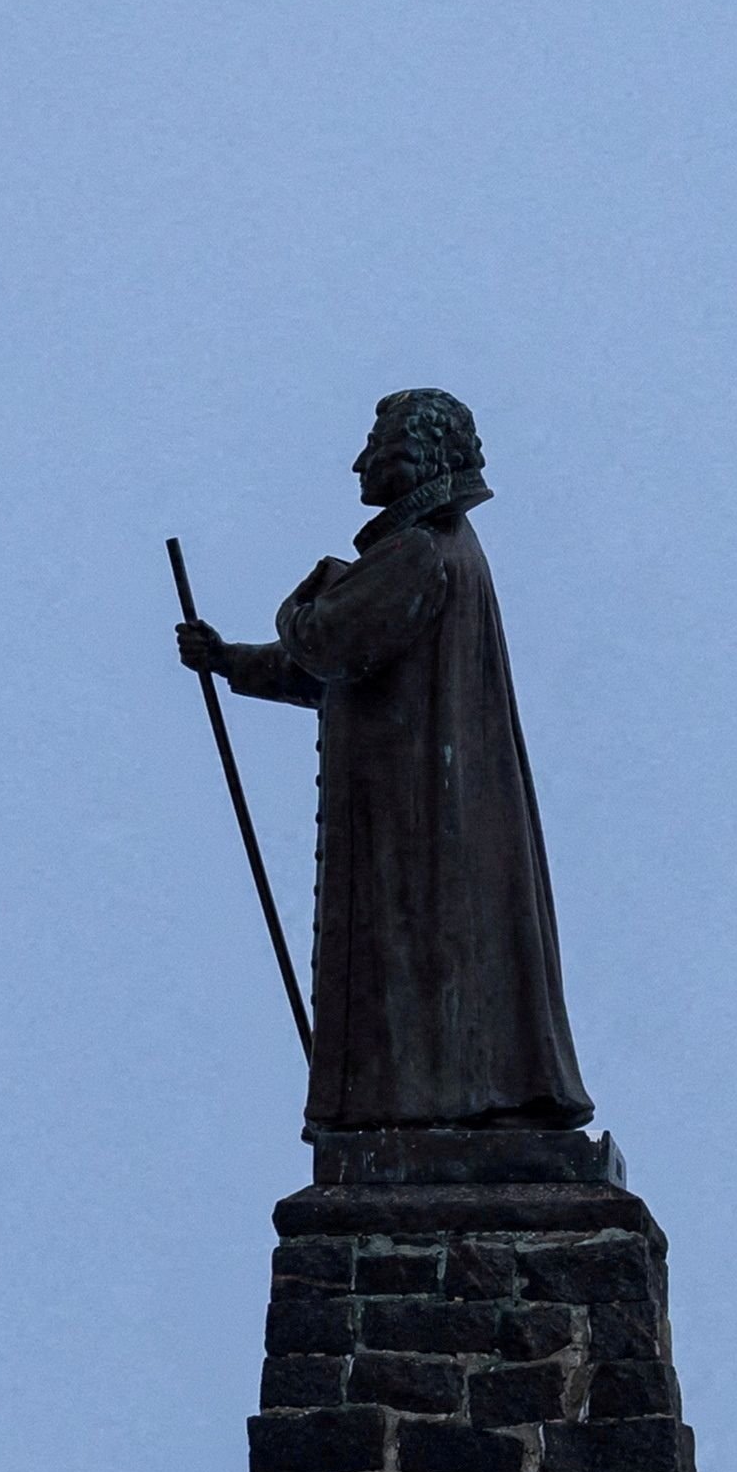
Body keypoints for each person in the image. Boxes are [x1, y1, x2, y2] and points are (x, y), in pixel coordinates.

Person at [172, 387, 593, 1133]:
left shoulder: (418, 552)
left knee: (418, 959)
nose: (360, 462)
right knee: (433, 963)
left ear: (415, 456)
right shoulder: (444, 547)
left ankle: (427, 1105)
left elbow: (326, 641)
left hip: (414, 820)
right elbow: (342, 669)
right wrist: (230, 659)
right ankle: (439, 1098)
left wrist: (304, 598)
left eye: (375, 445)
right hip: (430, 811)